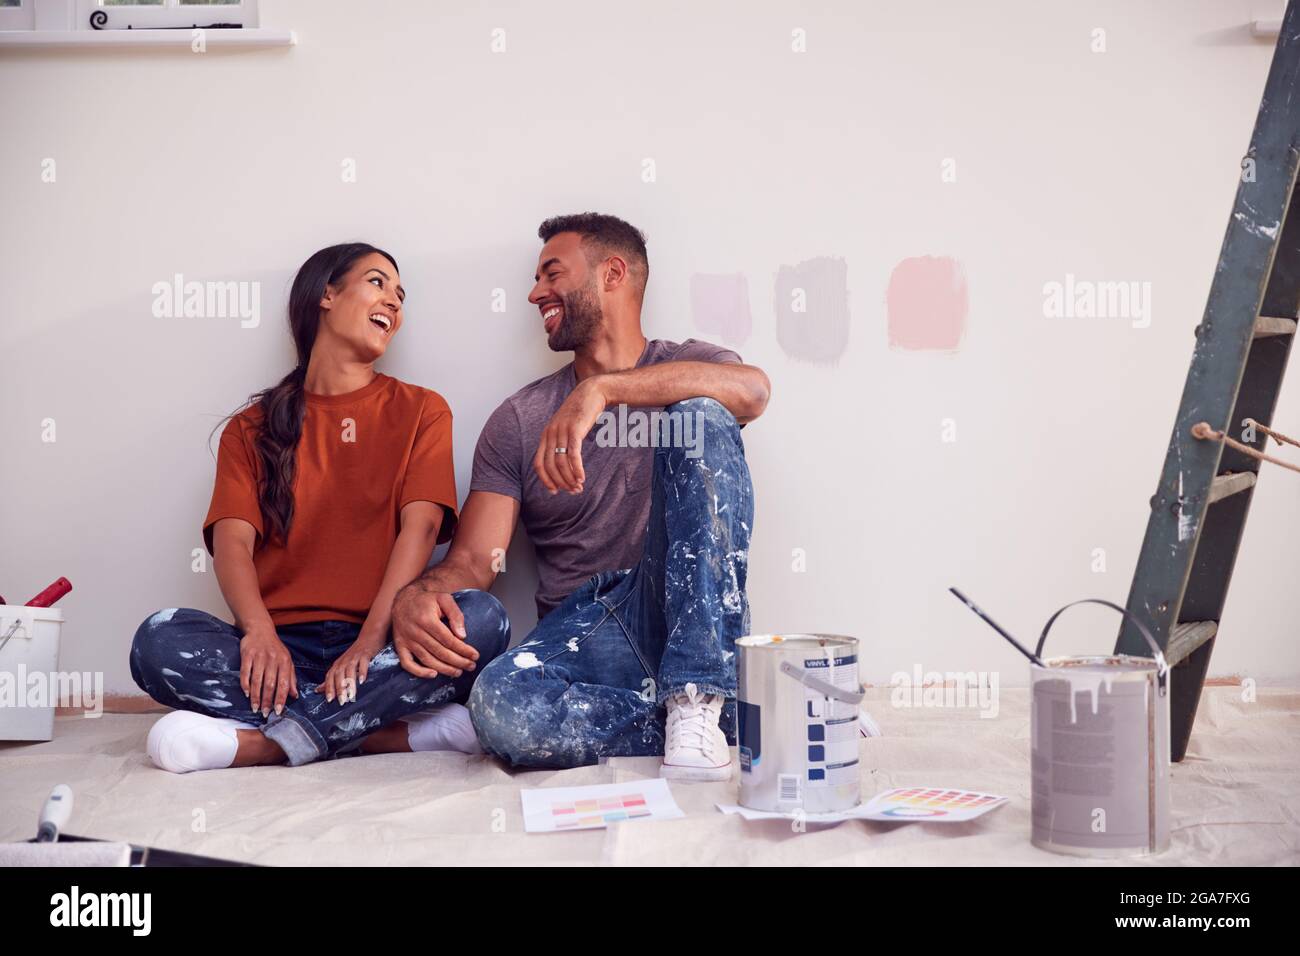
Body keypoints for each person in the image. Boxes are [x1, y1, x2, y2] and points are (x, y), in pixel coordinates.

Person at [391, 213, 769, 779]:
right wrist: (415, 595)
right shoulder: (519, 420)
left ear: (612, 274)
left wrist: (603, 390)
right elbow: (475, 559)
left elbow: (753, 391)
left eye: (552, 273)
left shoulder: (692, 366)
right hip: (586, 632)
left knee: (702, 416)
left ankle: (696, 697)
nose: (534, 292)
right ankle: (723, 720)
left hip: (679, 609)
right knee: (500, 709)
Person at [130, 243, 509, 773]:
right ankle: (384, 732)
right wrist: (259, 633)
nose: (394, 303)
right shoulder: (251, 427)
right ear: (326, 295)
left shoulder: (424, 409)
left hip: (383, 646)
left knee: (483, 620)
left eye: (401, 295)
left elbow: (420, 529)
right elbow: (231, 541)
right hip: (278, 649)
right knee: (158, 639)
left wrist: (370, 640)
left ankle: (265, 742)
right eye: (378, 283)